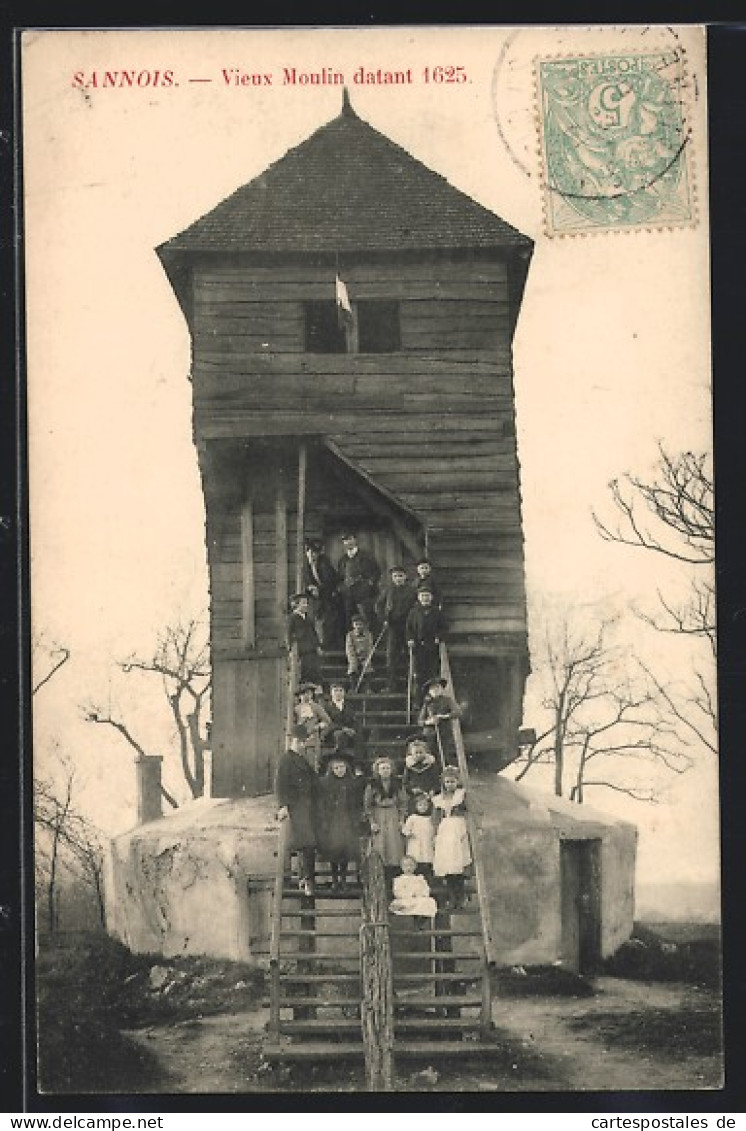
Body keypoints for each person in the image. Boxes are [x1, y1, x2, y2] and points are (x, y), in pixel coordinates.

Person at [275, 723, 318, 897]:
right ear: (292, 742)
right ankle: (305, 879)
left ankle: (307, 878)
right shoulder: (286, 759)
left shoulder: (303, 760)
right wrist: (283, 806)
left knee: (309, 843)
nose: (301, 745)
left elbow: (314, 781)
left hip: (308, 807)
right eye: (298, 741)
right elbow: (280, 784)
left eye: (303, 741)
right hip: (295, 807)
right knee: (304, 843)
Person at [315, 751, 364, 891]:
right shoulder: (325, 784)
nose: (340, 770)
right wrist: (323, 820)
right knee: (334, 850)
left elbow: (357, 803)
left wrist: (356, 818)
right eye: (336, 768)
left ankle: (343, 879)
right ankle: (334, 879)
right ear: (331, 769)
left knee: (346, 851)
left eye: (342, 767)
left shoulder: (352, 783)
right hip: (332, 821)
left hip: (347, 820)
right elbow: (321, 803)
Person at [363, 755, 407, 887]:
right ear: (377, 770)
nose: (385, 771)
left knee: (394, 846)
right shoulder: (372, 785)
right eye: (382, 768)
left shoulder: (398, 784)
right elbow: (368, 805)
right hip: (379, 815)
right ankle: (380, 879)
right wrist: (372, 822)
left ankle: (394, 877)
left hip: (393, 815)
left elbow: (403, 803)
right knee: (380, 846)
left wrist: (401, 819)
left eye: (387, 768)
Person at [432, 766, 472, 910]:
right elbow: (435, 818)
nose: (450, 784)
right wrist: (435, 834)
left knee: (458, 863)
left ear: (457, 782)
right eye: (447, 782)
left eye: (452, 781)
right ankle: (452, 898)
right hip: (444, 830)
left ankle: (461, 898)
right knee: (447, 864)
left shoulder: (462, 796)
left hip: (458, 827)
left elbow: (470, 810)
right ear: (443, 783)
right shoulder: (438, 799)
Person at [378, 564, 415, 691]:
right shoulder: (388, 590)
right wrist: (384, 619)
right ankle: (391, 685)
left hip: (407, 627)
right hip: (393, 626)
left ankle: (409, 685)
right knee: (391, 656)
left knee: (408, 655)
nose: (398, 578)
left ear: (405, 577)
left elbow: (416, 608)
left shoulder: (412, 591)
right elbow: (378, 605)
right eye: (395, 576)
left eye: (400, 576)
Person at [336, 532, 381, 632]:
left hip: (364, 593)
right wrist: (342, 587)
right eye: (345, 540)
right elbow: (339, 577)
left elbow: (376, 572)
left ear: (355, 540)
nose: (348, 542)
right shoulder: (342, 560)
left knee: (367, 617)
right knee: (349, 619)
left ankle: (371, 643)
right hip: (348, 594)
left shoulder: (366, 556)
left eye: (350, 539)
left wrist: (369, 583)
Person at [406, 587, 445, 700]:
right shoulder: (413, 612)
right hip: (418, 647)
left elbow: (444, 628)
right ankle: (418, 700)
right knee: (418, 675)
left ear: (431, 597)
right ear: (419, 598)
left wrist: (439, 636)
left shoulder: (436, 612)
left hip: (432, 646)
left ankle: (433, 699)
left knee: (432, 672)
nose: (425, 598)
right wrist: (410, 639)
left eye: (427, 596)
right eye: (423, 596)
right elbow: (409, 628)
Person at [302, 538, 341, 649]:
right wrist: (310, 587)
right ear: (307, 552)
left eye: (315, 553)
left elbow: (330, 582)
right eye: (311, 552)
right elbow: (307, 581)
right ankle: (318, 643)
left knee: (329, 619)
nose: (313, 555)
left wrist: (318, 589)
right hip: (317, 596)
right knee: (315, 617)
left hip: (330, 594)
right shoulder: (306, 566)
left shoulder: (324, 563)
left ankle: (328, 644)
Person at [418, 676, 461, 762]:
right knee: (430, 754)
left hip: (444, 731)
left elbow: (458, 712)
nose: (436, 690)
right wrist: (428, 722)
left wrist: (443, 716)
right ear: (429, 691)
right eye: (433, 689)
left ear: (441, 689)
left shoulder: (447, 700)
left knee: (443, 754)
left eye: (438, 687)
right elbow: (420, 721)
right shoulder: (427, 703)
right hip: (429, 733)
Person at [294, 681, 333, 770]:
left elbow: (327, 721)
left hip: (312, 739)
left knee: (312, 765)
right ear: (299, 696)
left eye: (308, 693)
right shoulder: (296, 708)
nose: (306, 696)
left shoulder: (316, 707)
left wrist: (318, 726)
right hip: (299, 739)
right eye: (303, 694)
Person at [324, 678, 365, 762]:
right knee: (340, 736)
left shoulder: (349, 705)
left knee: (359, 737)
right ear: (331, 693)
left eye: (340, 690)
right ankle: (338, 761)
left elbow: (353, 719)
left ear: (344, 692)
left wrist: (353, 729)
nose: (338, 693)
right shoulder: (326, 706)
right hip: (333, 731)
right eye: (335, 691)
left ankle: (358, 765)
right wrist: (343, 728)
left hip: (348, 730)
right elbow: (328, 722)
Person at [287, 591, 322, 688]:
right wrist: (290, 648)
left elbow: (313, 633)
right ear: (296, 605)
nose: (306, 605)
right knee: (304, 670)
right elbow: (288, 634)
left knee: (314, 668)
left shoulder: (308, 618)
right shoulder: (292, 618)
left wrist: (318, 646)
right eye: (303, 603)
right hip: (302, 649)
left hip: (311, 648)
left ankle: (315, 687)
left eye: (307, 603)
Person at [389, 855, 437, 924]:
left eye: (411, 865)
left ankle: (420, 922)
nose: (408, 868)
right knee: (408, 904)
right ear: (402, 867)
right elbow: (397, 892)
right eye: (406, 866)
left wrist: (421, 894)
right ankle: (415, 923)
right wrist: (409, 894)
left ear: (415, 867)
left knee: (429, 902)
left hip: (418, 898)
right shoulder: (399, 879)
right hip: (405, 898)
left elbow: (426, 889)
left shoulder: (419, 878)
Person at [401, 794, 436, 881]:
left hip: (427, 842)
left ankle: (427, 881)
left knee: (427, 861)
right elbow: (405, 829)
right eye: (420, 805)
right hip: (415, 842)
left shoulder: (430, 818)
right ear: (416, 806)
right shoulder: (412, 818)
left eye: (425, 805)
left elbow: (434, 830)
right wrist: (409, 833)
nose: (423, 807)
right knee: (416, 860)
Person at [402, 734, 440, 800]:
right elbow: (405, 782)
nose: (418, 755)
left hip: (429, 793)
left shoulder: (431, 765)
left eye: (421, 752)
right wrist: (412, 789)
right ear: (411, 753)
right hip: (415, 794)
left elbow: (436, 779)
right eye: (416, 753)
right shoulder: (409, 766)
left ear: (425, 752)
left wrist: (433, 790)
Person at [345, 613, 375, 691]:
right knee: (353, 667)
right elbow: (350, 649)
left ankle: (368, 688)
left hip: (365, 656)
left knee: (368, 668)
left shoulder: (368, 635)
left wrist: (367, 659)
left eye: (360, 624)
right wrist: (354, 660)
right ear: (353, 625)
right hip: (354, 656)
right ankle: (353, 687)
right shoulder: (350, 635)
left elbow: (370, 647)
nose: (358, 626)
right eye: (356, 624)